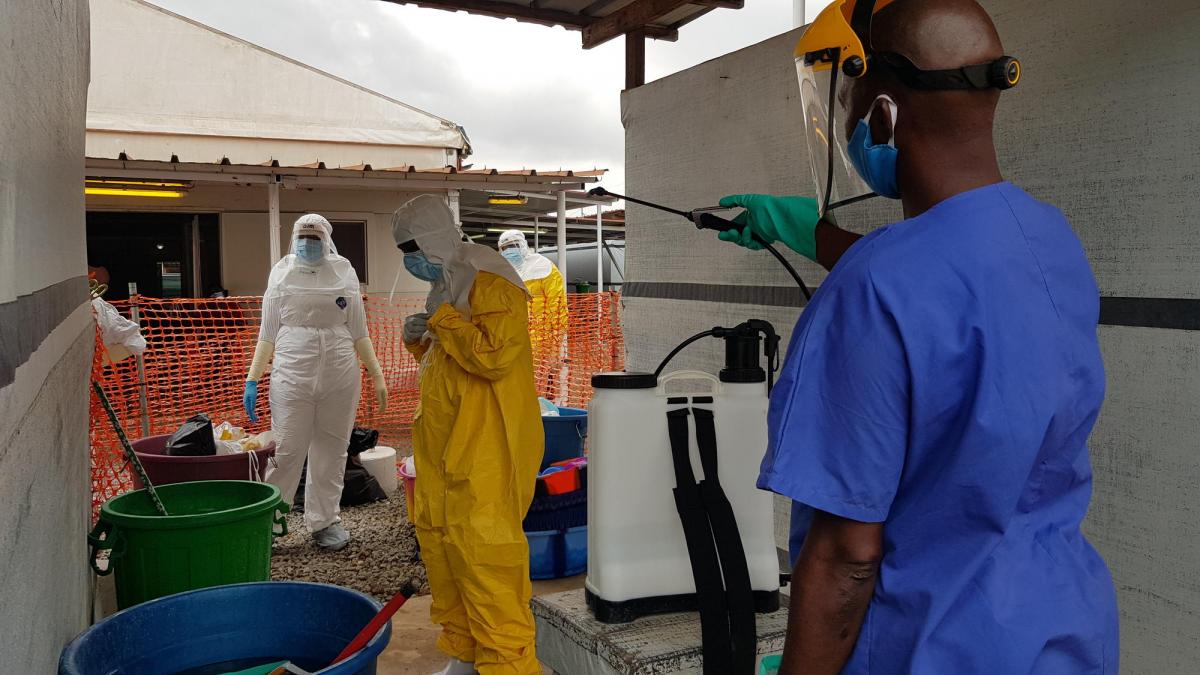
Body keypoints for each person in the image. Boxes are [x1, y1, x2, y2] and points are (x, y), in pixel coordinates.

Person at [716, 1, 1118, 672]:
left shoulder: (874, 289)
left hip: (932, 648)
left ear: (883, 115)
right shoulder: (1053, 243)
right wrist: (800, 228)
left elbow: (848, 555)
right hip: (1063, 635)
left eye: (848, 102)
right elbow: (947, 283)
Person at [391, 195, 543, 675]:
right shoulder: (448, 282)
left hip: (486, 445)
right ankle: (465, 655)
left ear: (432, 241)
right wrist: (421, 340)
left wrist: (442, 321)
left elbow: (494, 358)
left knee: (485, 557)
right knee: (443, 548)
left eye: (410, 250)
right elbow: (449, 367)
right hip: (446, 444)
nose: (409, 263)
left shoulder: (490, 279)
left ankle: (507, 666)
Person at [241, 214, 387, 551]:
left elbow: (358, 331)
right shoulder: (281, 275)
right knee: (288, 449)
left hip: (340, 375)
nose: (308, 243)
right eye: (303, 236)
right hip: (293, 374)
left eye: (314, 237)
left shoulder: (344, 273)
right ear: (294, 238)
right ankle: (269, 521)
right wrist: (253, 377)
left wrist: (376, 374)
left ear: (327, 239)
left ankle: (324, 521)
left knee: (332, 451)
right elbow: (267, 334)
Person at [496, 229, 568, 388]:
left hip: (541, 341)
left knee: (535, 385)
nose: (509, 251)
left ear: (522, 245)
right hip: (510, 339)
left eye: (512, 246)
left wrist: (556, 346)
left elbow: (558, 309)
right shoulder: (502, 272)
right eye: (505, 248)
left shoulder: (544, 267)